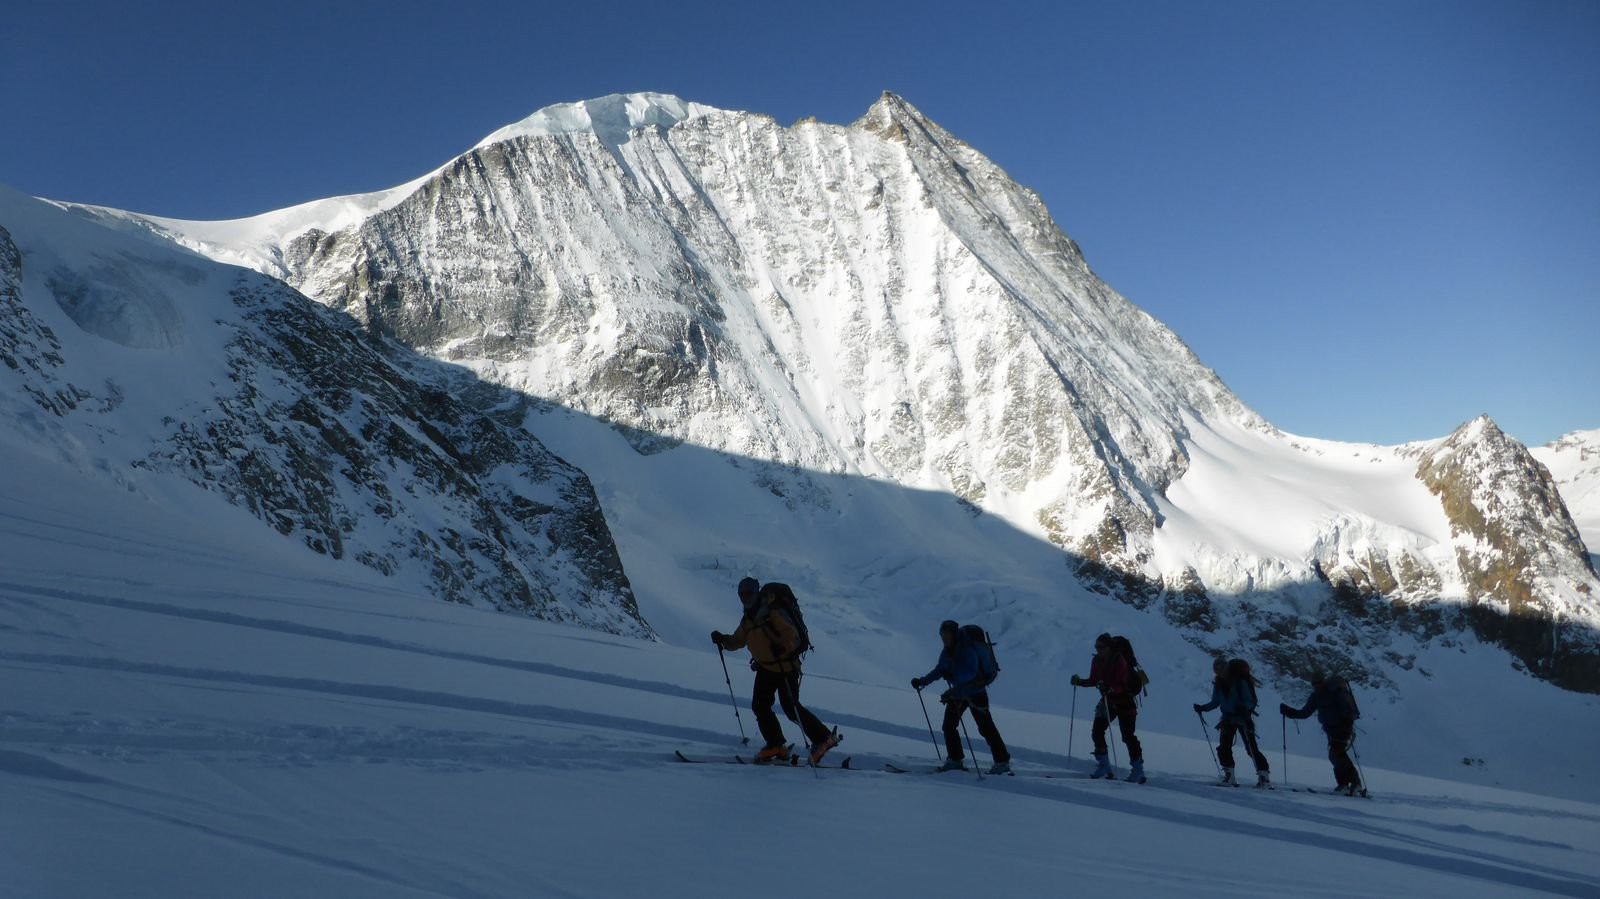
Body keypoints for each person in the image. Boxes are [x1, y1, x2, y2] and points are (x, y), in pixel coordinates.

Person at [712, 577, 841, 764]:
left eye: (748, 593)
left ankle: (823, 738)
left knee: (791, 708)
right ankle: (776, 744)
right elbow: (737, 641)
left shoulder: (772, 613)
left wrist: (783, 647)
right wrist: (722, 640)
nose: (744, 597)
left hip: (785, 667)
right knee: (760, 706)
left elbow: (793, 636)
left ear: (757, 593)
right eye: (741, 594)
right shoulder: (748, 619)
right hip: (766, 668)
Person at [911, 620, 1012, 775]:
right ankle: (955, 759)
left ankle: (1002, 761)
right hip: (959, 693)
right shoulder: (947, 652)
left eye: (947, 634)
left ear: (954, 634)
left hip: (975, 693)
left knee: (985, 727)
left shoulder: (967, 650)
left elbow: (971, 672)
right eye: (942, 634)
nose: (944, 638)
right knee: (949, 725)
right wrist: (922, 681)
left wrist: (952, 675)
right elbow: (939, 670)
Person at [1069, 633, 1145, 782]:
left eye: (1101, 647)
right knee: (1097, 731)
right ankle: (1105, 766)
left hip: (1123, 701)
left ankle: (1137, 770)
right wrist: (1080, 682)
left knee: (1127, 736)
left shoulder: (1119, 660)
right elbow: (1094, 680)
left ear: (1109, 647)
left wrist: (1110, 689)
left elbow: (1122, 683)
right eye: (1096, 647)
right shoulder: (1097, 660)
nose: (1098, 650)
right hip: (1109, 700)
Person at [1280, 672, 1362, 795]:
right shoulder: (1316, 696)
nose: (1316, 686)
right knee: (1336, 755)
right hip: (1331, 730)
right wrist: (1289, 712)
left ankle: (1350, 784)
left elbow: (1346, 711)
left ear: (1324, 682)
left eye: (1318, 683)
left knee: (1336, 754)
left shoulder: (1335, 693)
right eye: (1314, 684)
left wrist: (1347, 724)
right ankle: (1348, 784)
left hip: (1342, 728)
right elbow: (1305, 713)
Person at [1195, 658, 1271, 787]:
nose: (1220, 672)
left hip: (1242, 718)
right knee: (1225, 747)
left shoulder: (1240, 682)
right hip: (1229, 718)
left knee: (1250, 748)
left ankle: (1262, 776)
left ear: (1227, 668)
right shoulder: (1219, 684)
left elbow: (1250, 700)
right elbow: (1215, 701)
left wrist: (1244, 707)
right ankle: (1231, 775)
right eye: (1217, 670)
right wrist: (1203, 708)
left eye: (1222, 669)